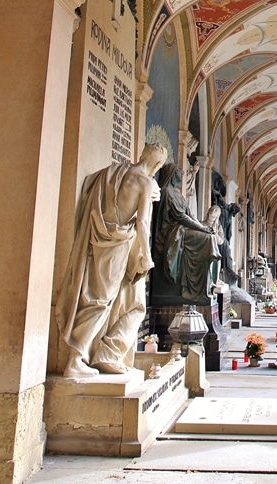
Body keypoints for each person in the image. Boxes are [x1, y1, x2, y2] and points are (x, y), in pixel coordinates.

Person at [57, 142, 168, 378]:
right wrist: (147, 257)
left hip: (101, 240)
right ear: (158, 164)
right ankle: (77, 359)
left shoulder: (116, 171)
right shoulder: (146, 182)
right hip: (120, 248)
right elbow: (143, 223)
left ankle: (107, 354)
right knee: (103, 300)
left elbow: (90, 185)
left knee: (112, 299)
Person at [153, 163, 220, 304]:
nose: (182, 174)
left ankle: (206, 284)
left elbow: (190, 215)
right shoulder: (167, 192)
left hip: (183, 229)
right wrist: (202, 229)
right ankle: (198, 288)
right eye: (178, 172)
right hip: (174, 232)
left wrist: (203, 226)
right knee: (208, 239)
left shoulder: (177, 193)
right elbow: (181, 217)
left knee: (211, 237)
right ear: (172, 174)